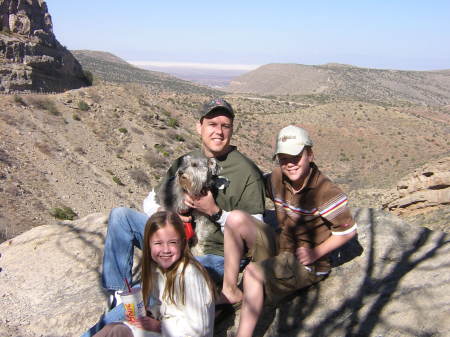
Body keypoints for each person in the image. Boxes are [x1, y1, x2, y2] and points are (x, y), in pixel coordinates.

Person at [82, 98, 275, 336]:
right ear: (199, 127)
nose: (219, 131)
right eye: (212, 124)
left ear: (232, 129)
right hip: (177, 241)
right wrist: (172, 215)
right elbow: (150, 201)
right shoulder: (185, 161)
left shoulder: (246, 171)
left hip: (213, 256)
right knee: (121, 217)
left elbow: (254, 235)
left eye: (225, 125)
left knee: (149, 291)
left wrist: (214, 211)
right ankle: (117, 293)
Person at [232, 125, 358, 337]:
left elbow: (348, 231)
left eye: (296, 157)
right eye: (283, 158)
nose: (289, 164)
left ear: (310, 155)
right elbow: (252, 182)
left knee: (253, 273)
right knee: (236, 220)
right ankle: (229, 290)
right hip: (282, 245)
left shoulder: (325, 192)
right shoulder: (277, 179)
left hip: (306, 261)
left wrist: (316, 253)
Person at [91, 211, 216, 337]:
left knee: (117, 332)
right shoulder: (156, 269)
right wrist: (150, 314)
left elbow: (200, 328)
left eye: (172, 242)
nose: (166, 250)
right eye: (158, 243)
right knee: (112, 328)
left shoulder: (189, 274)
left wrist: (158, 326)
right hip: (166, 330)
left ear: (183, 243)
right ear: (148, 245)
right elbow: (160, 305)